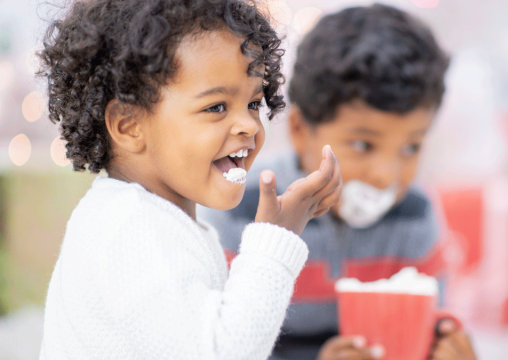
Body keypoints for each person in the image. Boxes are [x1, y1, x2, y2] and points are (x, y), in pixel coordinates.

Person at [37, 0, 342, 359]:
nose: (248, 125)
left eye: (254, 104)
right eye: (216, 107)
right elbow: (220, 351)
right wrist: (277, 241)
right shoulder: (128, 228)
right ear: (128, 125)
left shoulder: (159, 223)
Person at [201, 4, 476, 360]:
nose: (386, 175)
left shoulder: (415, 215)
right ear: (300, 131)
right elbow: (218, 346)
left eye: (411, 147)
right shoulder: (239, 205)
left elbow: (431, 327)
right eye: (362, 144)